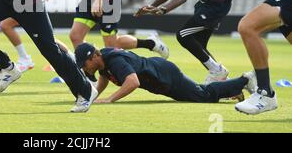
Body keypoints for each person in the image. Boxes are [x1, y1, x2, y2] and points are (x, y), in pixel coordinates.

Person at [135, 0, 238, 84]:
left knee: (183, 35)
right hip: (206, 4)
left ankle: (218, 72)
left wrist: (164, 9)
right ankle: (225, 84)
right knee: (199, 45)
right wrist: (152, 6)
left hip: (217, 3)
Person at [74, 43, 257, 104]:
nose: (85, 68)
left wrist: (109, 100)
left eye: (85, 64)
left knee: (203, 95)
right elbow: (105, 77)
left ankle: (244, 80)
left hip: (165, 76)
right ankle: (234, 90)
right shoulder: (104, 61)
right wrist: (94, 95)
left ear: (95, 56)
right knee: (200, 93)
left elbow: (133, 82)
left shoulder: (115, 61)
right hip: (159, 76)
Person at [0, 0, 51, 72]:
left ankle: (25, 59)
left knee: (46, 40)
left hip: (32, 1)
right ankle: (25, 58)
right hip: (23, 1)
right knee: (46, 38)